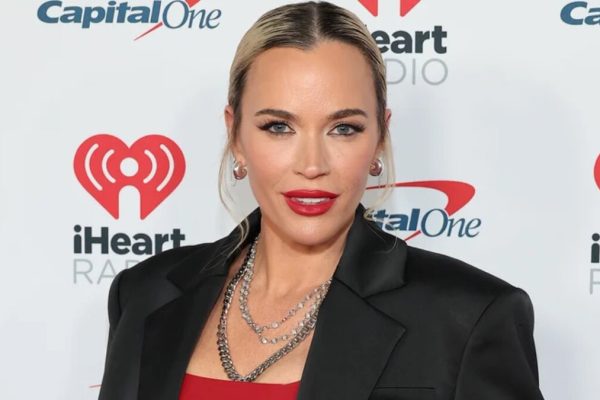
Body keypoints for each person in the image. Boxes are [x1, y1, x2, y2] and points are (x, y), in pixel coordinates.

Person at [98, 1, 545, 399]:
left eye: (343, 128)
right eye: (278, 127)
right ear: (235, 135)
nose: (312, 165)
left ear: (379, 138)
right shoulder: (144, 294)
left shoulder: (468, 317)